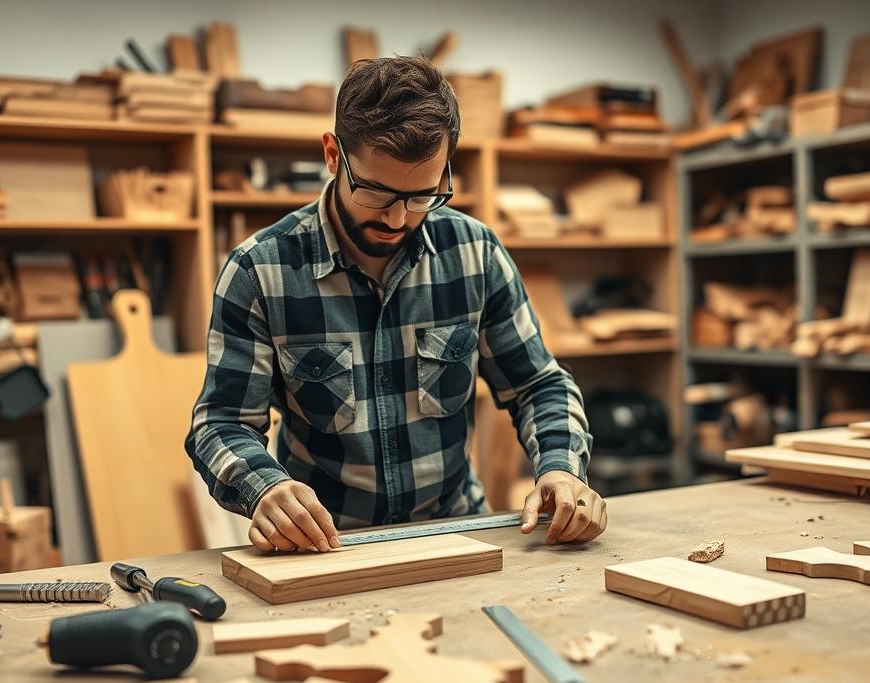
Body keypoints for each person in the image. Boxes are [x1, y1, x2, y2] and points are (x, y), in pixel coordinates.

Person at [186, 55, 607, 553]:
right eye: (377, 192)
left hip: (455, 534)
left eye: (423, 196)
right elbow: (222, 423)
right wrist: (266, 489)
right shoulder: (261, 270)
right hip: (324, 545)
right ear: (333, 155)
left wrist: (560, 468)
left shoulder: (474, 254)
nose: (398, 218)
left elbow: (538, 385)